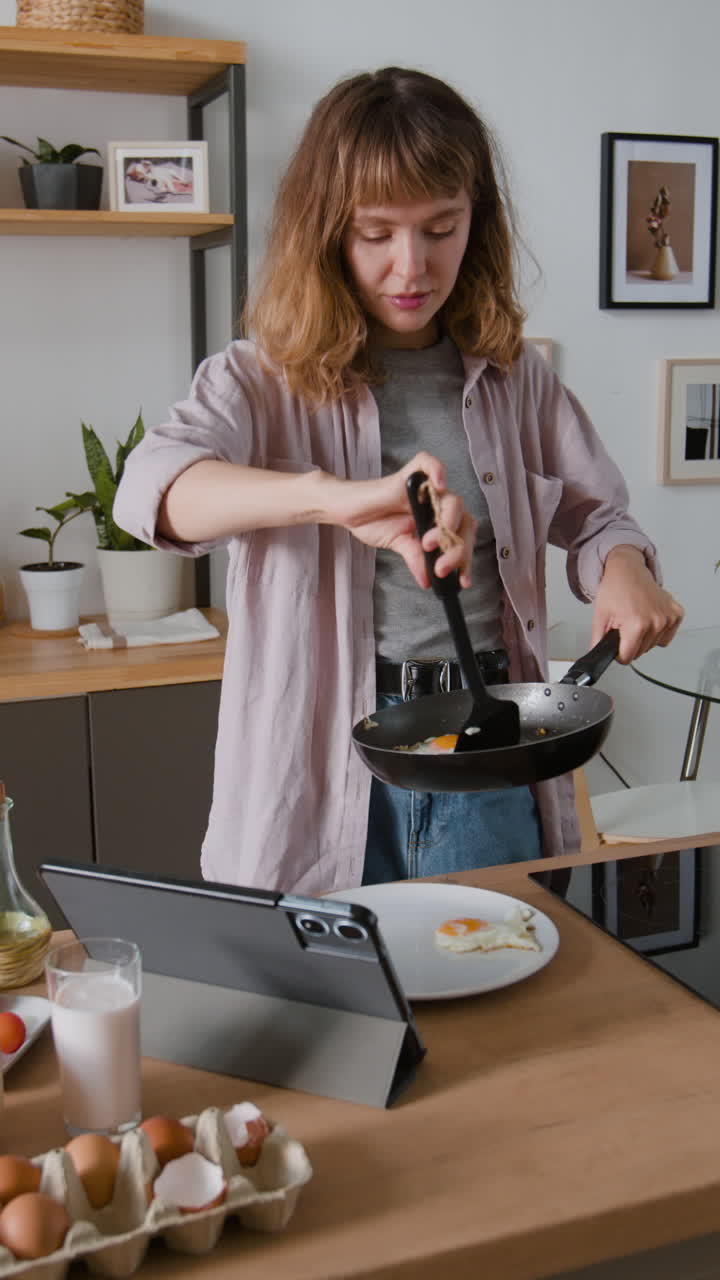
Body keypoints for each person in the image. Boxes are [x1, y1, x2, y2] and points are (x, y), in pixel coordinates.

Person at [114, 66, 684, 894]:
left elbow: (602, 519)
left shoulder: (516, 378)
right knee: (330, 1015)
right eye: (375, 233)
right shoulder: (257, 379)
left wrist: (625, 572)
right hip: (314, 771)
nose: (410, 266)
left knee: (494, 1015)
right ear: (325, 231)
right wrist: (330, 498)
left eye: (440, 227)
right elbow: (152, 490)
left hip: (485, 756)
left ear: (474, 222)